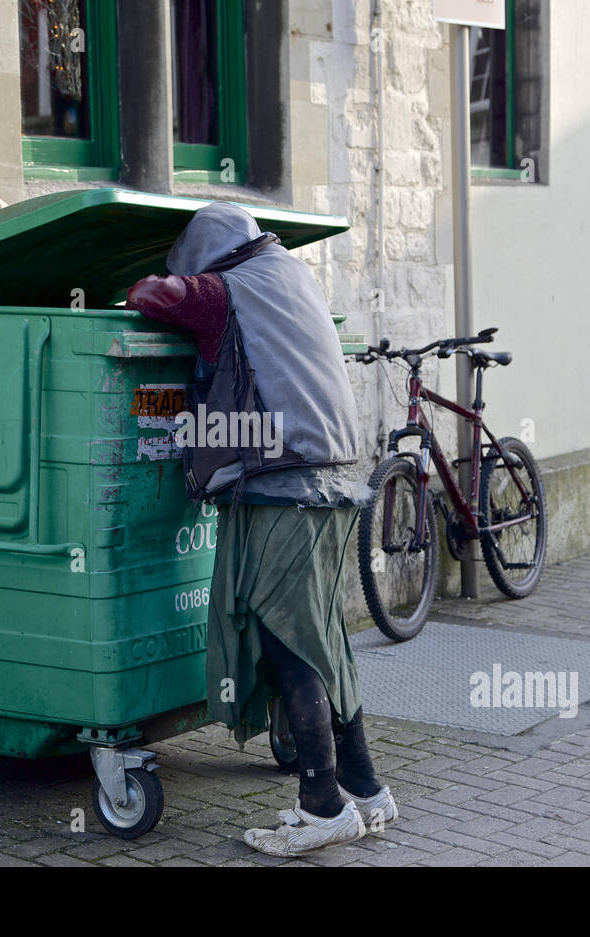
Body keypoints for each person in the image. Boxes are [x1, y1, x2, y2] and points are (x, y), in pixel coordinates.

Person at [125, 202, 397, 857]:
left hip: (286, 486)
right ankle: (366, 791)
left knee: (290, 646)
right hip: (331, 480)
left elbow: (152, 297)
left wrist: (133, 279)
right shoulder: (290, 275)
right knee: (323, 639)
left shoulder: (224, 291)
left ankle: (322, 806)